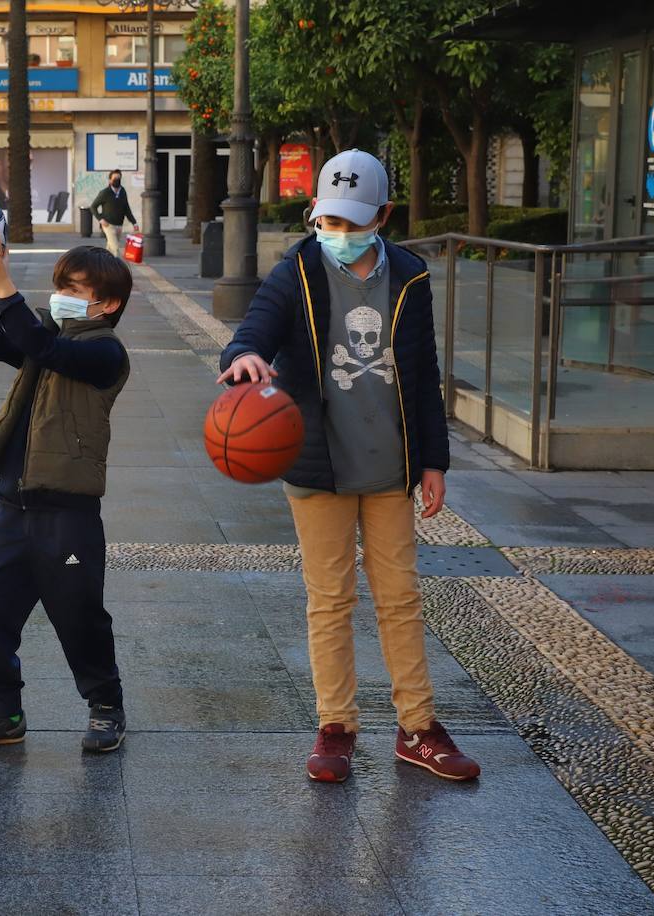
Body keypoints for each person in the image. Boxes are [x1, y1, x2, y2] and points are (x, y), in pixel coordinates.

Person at [216, 149, 480, 784]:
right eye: (328, 218)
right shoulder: (298, 269)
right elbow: (249, 331)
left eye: (352, 221)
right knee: (329, 600)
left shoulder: (411, 276)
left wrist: (435, 461)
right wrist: (244, 357)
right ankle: (335, 726)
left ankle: (418, 727)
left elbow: (422, 376)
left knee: (400, 599)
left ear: (383, 214)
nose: (338, 232)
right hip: (318, 466)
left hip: (391, 468)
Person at [0, 239, 133, 755]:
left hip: (68, 513)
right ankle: (2, 714)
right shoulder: (49, 338)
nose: (61, 297)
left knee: (79, 617)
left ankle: (106, 708)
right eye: (60, 287)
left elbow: (46, 348)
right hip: (14, 506)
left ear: (107, 304)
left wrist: (6, 287)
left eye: (74, 290)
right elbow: (0, 342)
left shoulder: (103, 353)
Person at [89, 171, 138, 256]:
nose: (117, 180)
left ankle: (104, 263)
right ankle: (117, 268)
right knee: (115, 248)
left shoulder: (122, 191)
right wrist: (100, 219)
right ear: (110, 180)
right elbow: (93, 207)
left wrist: (134, 222)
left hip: (119, 225)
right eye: (114, 178)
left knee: (110, 248)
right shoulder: (105, 192)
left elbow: (126, 208)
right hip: (108, 225)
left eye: (118, 178)